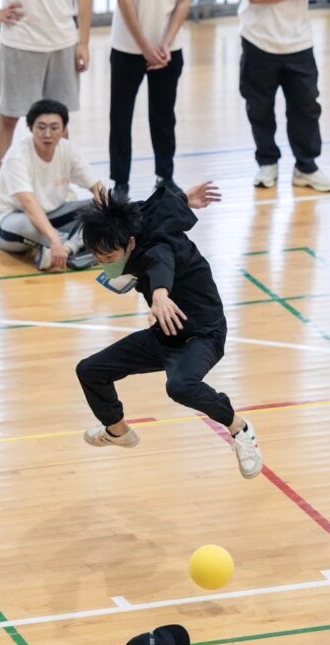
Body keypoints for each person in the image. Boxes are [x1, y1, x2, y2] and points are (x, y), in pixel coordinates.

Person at [75, 184, 264, 480]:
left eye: (109, 257)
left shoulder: (158, 248)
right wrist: (185, 197)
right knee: (90, 370)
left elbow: (162, 263)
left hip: (203, 334)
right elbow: (151, 205)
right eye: (97, 257)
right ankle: (118, 430)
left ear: (131, 244)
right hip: (166, 331)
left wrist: (160, 295)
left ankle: (240, 428)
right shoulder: (132, 225)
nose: (103, 263)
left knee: (180, 386)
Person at [0, 0, 93, 186]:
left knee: (58, 120)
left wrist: (84, 42)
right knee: (9, 116)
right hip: (20, 40)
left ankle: (58, 184)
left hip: (64, 40)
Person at [0, 99, 104, 271]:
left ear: (64, 130)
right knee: (29, 225)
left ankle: (65, 251)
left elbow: (97, 187)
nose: (48, 134)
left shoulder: (68, 149)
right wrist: (54, 238)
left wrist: (110, 217)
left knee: (98, 207)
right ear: (30, 128)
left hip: (52, 216)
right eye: (41, 127)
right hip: (13, 222)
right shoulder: (17, 157)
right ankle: (82, 245)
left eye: (54, 127)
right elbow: (28, 204)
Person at [237, 0, 330, 192]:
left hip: (299, 41)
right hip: (257, 39)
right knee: (259, 108)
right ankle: (267, 162)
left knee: (306, 107)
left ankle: (305, 167)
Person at [107, 0, 191, 200]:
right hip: (127, 47)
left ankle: (165, 176)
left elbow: (184, 2)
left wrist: (167, 43)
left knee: (164, 116)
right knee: (121, 116)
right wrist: (144, 46)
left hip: (168, 49)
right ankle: (120, 182)